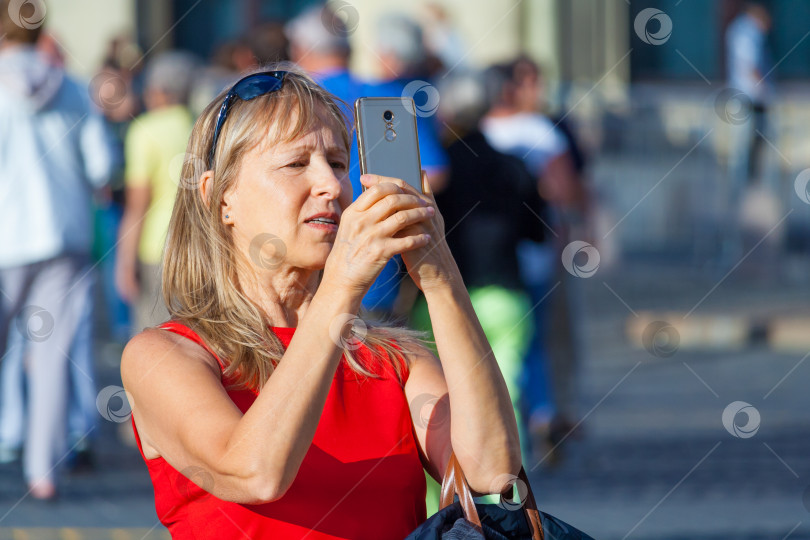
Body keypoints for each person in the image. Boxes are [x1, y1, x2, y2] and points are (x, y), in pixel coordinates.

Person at [121, 66, 521, 538]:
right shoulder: (166, 356)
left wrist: (440, 278)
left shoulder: (395, 361)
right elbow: (255, 472)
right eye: (296, 164)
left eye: (335, 162)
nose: (331, 186)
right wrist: (343, 285)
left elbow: (493, 472)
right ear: (219, 197)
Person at [0, 1, 113, 498]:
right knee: (52, 357)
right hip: (64, 236)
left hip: (6, 237)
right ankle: (42, 472)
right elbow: (102, 167)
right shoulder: (71, 86)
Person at [482, 56, 589, 463]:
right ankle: (542, 417)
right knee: (537, 343)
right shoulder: (539, 130)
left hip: (486, 260)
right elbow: (565, 189)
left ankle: (510, 426)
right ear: (511, 87)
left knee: (496, 344)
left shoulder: (472, 134)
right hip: (535, 251)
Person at [114, 51, 196, 334]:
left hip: (157, 249)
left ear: (160, 91)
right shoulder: (203, 124)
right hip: (199, 246)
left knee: (157, 339)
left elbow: (138, 204)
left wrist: (124, 262)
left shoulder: (144, 130)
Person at [724, 2, 774, 260]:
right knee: (744, 161)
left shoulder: (741, 30)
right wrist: (765, 89)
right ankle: (746, 198)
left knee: (751, 158)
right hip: (749, 100)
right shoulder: (745, 32)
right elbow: (749, 66)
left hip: (749, 101)